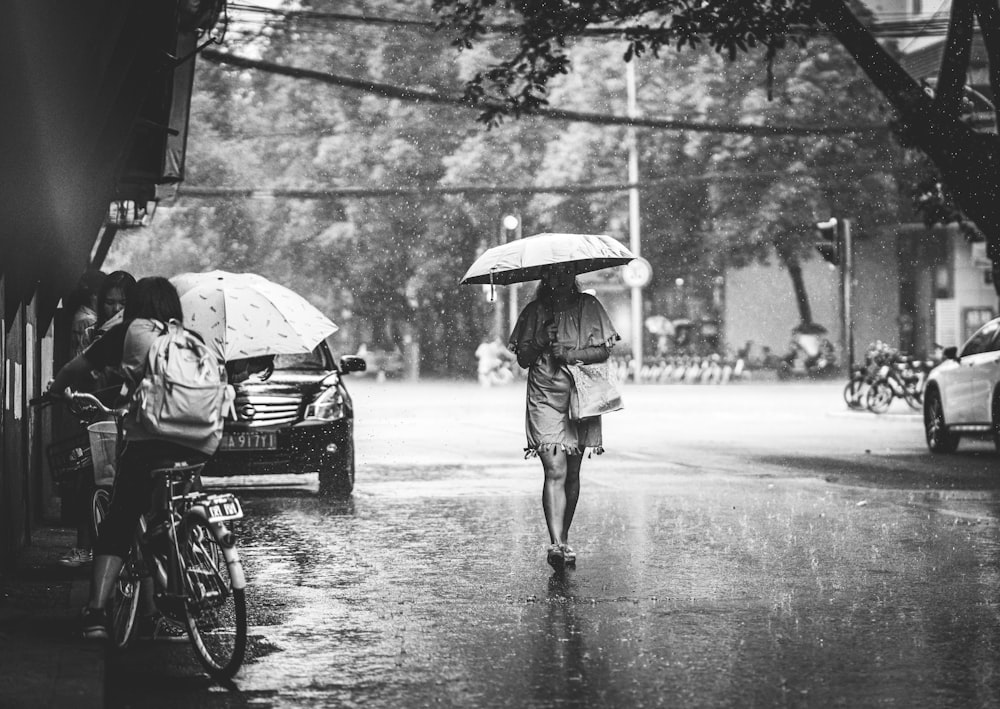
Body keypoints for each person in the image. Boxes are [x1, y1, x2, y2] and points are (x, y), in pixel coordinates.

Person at [50, 277, 223, 641]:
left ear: (137, 305)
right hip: (198, 445)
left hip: (151, 443)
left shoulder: (129, 332)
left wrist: (55, 390)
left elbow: (74, 370)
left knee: (121, 519)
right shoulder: (192, 339)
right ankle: (160, 607)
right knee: (164, 519)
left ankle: (95, 613)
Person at [508, 264, 619, 569]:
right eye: (553, 274)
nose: (560, 280)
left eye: (565, 274)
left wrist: (571, 354)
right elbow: (523, 359)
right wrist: (541, 339)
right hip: (544, 396)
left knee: (571, 471)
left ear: (573, 277)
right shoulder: (534, 312)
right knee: (554, 468)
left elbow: (604, 352)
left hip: (580, 395)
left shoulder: (589, 307)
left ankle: (564, 538)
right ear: (545, 278)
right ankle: (555, 543)